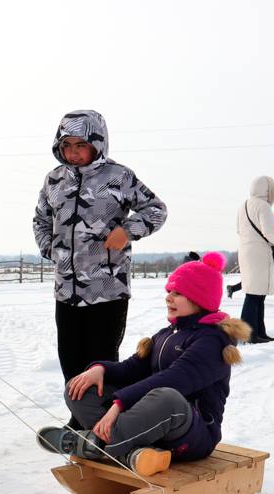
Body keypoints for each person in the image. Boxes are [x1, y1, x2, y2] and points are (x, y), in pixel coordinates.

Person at [36, 252, 250, 476]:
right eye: (169, 291)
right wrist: (100, 369)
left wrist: (119, 404)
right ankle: (132, 454)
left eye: (178, 293)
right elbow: (131, 369)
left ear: (200, 299)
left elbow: (174, 379)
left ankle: (97, 445)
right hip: (150, 427)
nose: (169, 297)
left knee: (167, 397)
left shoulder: (213, 341)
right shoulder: (166, 335)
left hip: (192, 434)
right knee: (79, 388)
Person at [32, 109, 167, 423]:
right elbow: (41, 219)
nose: (73, 152)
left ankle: (104, 420)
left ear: (97, 143)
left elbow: (156, 210)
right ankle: (79, 419)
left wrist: (127, 231)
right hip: (66, 289)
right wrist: (50, 248)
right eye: (67, 145)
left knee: (101, 363)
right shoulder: (53, 179)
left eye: (80, 145)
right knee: (71, 361)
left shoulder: (119, 177)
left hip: (108, 290)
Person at [236, 176, 274, 342]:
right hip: (260, 253)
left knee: (256, 294)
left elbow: (238, 230)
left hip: (245, 251)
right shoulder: (264, 206)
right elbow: (270, 233)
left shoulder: (243, 205)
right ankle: (249, 334)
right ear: (269, 191)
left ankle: (259, 332)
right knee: (255, 295)